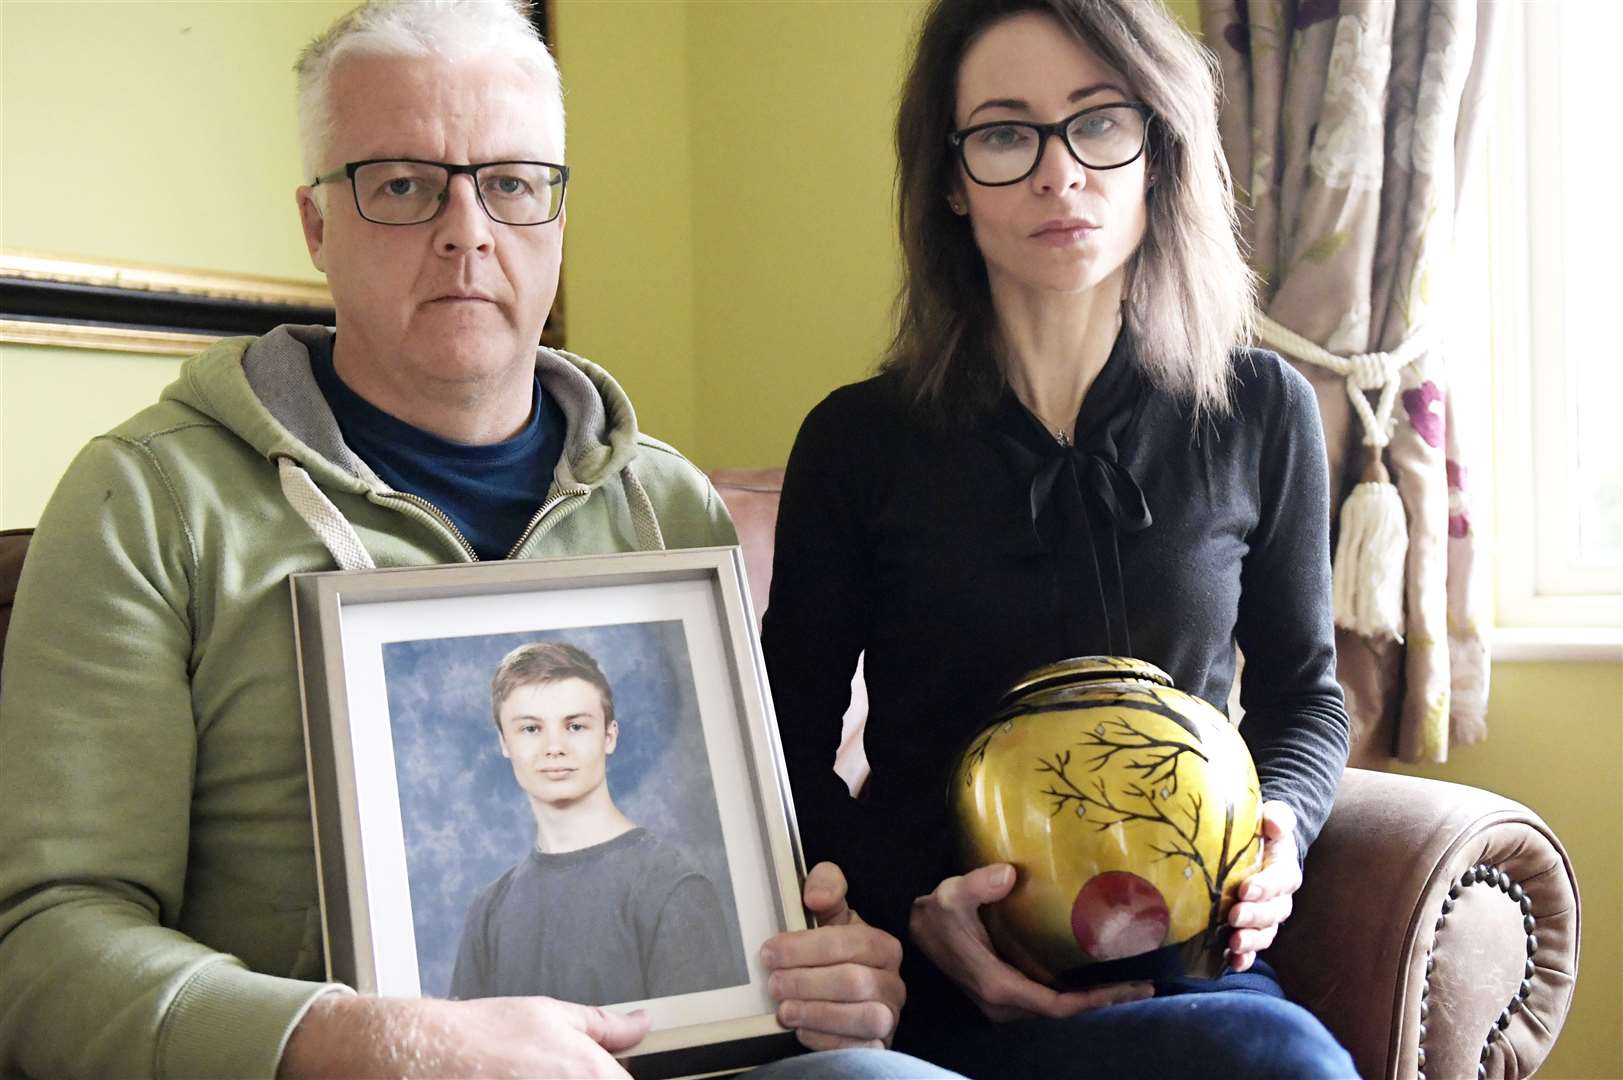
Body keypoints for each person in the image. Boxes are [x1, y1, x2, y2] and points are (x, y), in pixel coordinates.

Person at [0, 3, 932, 1077]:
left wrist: (833, 973)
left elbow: (750, 900)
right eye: (401, 184)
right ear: (316, 225)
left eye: (512, 182)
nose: (468, 230)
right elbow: (44, 946)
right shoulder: (150, 500)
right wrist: (373, 1042)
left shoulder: (668, 508)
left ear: (558, 214)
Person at [761, 0, 1358, 1076]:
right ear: (950, 180)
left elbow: (1306, 695)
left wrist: (1283, 834)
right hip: (944, 987)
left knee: (1284, 1060)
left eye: (1097, 122)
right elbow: (781, 746)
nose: (1060, 173)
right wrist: (907, 910)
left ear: (1157, 152)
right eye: (1004, 133)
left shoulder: (1262, 407)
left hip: (1192, 974)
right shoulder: (857, 441)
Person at [449, 641, 744, 1004]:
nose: (553, 746)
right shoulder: (488, 911)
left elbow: (703, 1056)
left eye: (575, 726)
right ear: (504, 742)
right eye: (530, 729)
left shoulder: (671, 889)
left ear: (609, 736)